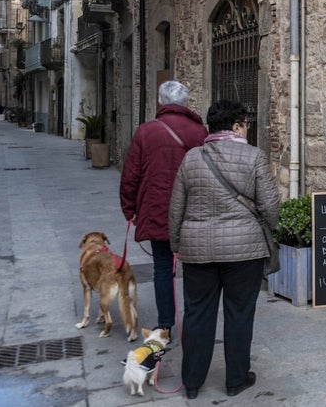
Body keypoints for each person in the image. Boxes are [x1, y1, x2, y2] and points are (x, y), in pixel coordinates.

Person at [169, 99, 280, 400]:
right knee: (239, 314)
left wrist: (177, 244)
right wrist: (269, 228)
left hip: (197, 251)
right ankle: (236, 379)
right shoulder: (254, 157)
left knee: (197, 314)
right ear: (236, 125)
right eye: (245, 124)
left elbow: (176, 208)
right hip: (244, 251)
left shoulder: (192, 158)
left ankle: (192, 382)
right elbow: (270, 207)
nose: (247, 129)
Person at [119, 80, 207, 337]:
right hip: (192, 210)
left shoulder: (145, 132)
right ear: (186, 103)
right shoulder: (199, 132)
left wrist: (130, 209)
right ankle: (193, 324)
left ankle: (166, 324)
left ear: (160, 101)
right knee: (194, 268)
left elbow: (130, 175)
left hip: (158, 208)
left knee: (162, 267)